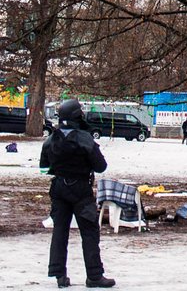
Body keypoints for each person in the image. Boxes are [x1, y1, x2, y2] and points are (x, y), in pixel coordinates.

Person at [41, 99, 114, 288]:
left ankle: (59, 274)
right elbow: (101, 166)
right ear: (77, 116)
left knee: (60, 231)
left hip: (58, 189)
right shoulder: (84, 138)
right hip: (81, 189)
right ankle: (94, 276)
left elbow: (43, 168)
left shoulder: (51, 139)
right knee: (89, 232)